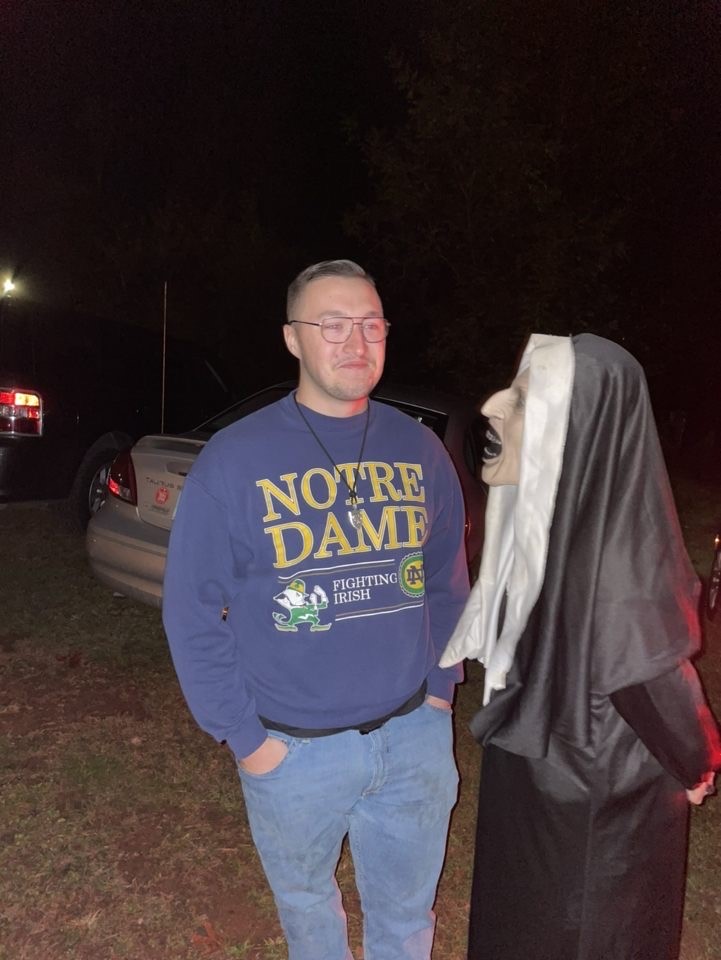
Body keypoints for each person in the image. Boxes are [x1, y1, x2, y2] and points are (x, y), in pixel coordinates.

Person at [162, 259, 469, 960]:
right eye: (331, 325)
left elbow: (448, 582)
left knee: (407, 919)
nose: (355, 342)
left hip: (412, 738)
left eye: (370, 324)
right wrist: (247, 739)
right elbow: (190, 611)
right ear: (292, 338)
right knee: (310, 914)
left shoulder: (419, 449)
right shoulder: (235, 459)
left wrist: (440, 692)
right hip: (292, 749)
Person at [441, 333, 721, 960]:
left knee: (564, 922)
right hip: (566, 783)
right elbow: (652, 682)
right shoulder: (546, 523)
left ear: (583, 427)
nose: (492, 406)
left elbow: (646, 676)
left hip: (586, 791)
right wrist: (698, 761)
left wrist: (695, 758)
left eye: (523, 399)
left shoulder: (604, 544)